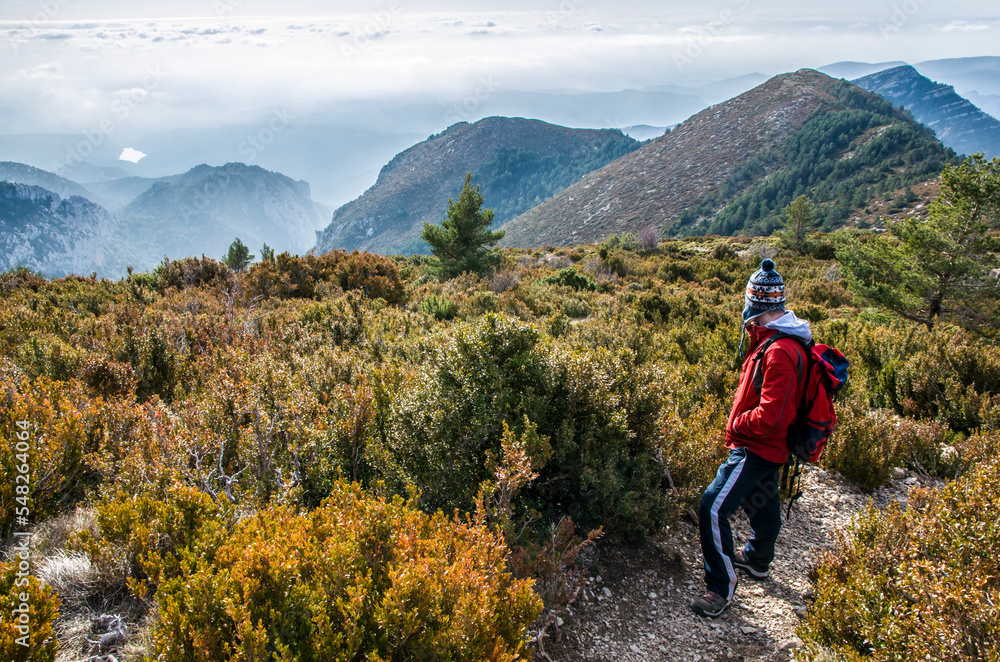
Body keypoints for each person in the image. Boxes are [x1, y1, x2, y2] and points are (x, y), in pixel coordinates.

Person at [691, 258, 812, 618]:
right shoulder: (781, 343)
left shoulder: (779, 352)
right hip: (771, 449)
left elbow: (771, 417)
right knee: (763, 499)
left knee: (712, 507)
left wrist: (738, 425)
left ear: (756, 306)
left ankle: (720, 587)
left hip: (755, 446)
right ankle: (758, 559)